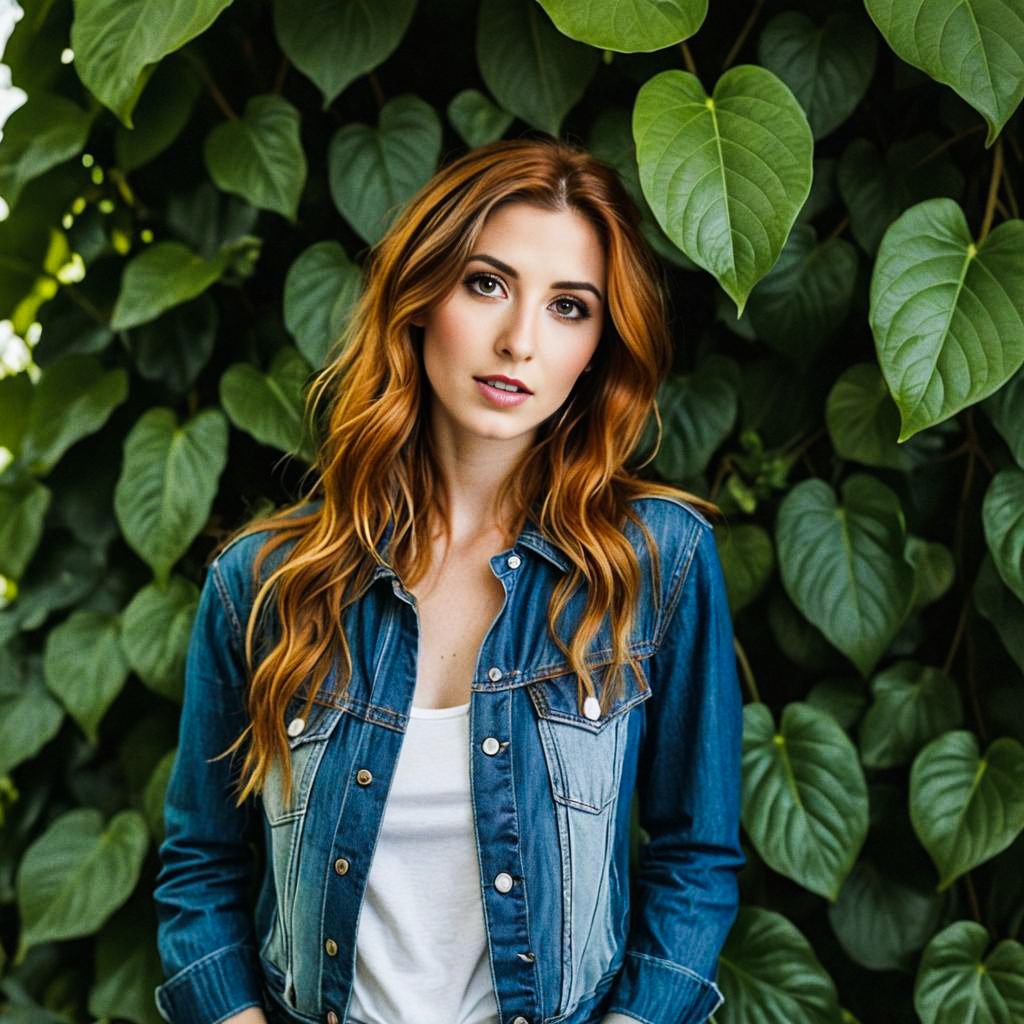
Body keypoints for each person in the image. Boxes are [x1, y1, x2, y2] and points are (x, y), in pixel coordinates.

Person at [153, 136, 745, 1024]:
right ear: (421, 296)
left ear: (598, 346)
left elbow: (696, 857)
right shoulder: (264, 583)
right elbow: (200, 864)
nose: (519, 341)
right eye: (487, 283)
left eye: (569, 307)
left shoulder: (654, 564)